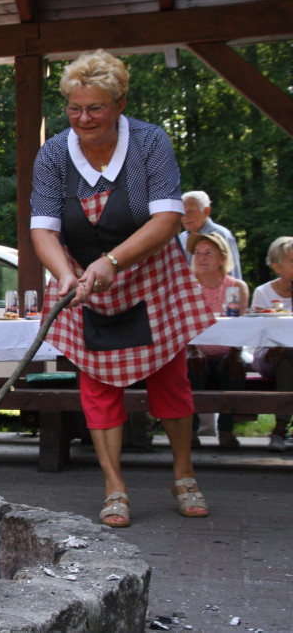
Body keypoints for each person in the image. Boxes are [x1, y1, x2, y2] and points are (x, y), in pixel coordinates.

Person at [30, 49, 215, 528]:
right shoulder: (53, 153)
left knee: (170, 380)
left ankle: (183, 473)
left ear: (119, 102)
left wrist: (113, 261)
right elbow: (43, 230)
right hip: (85, 283)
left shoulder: (150, 142)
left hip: (151, 276)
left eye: (95, 107)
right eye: (74, 107)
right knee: (96, 386)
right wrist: (66, 275)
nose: (83, 118)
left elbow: (169, 217)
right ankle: (114, 486)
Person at [185, 232, 248, 448]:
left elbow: (243, 327)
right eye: (198, 253)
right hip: (194, 351)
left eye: (208, 253)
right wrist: (192, 350)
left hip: (224, 352)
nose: (202, 257)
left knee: (234, 369)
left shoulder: (236, 287)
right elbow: (182, 324)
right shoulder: (188, 286)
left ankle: (226, 431)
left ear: (222, 258)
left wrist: (235, 353)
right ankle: (190, 432)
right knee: (191, 369)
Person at [250, 236, 293, 451]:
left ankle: (280, 430)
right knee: (286, 358)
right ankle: (279, 431)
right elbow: (257, 330)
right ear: (277, 267)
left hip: (287, 357)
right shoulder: (263, 292)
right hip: (268, 353)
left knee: (289, 363)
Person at [179, 190, 242, 280]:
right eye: (182, 213)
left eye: (191, 211)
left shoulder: (221, 236)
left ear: (206, 211)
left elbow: (233, 273)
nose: (186, 217)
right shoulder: (181, 238)